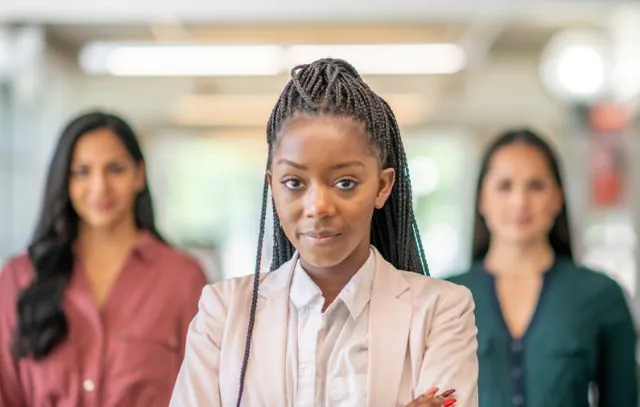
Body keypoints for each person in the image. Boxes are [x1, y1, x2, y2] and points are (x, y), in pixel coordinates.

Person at [169, 58, 478, 407]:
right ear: (273, 186)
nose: (318, 207)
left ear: (382, 185)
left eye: (345, 182)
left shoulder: (441, 311)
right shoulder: (224, 312)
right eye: (294, 182)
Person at [0, 111, 207, 407]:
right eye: (82, 171)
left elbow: (201, 392)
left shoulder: (183, 278)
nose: (100, 187)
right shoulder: (19, 277)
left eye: (115, 169)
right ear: (64, 180)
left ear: (139, 174)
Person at [447, 129, 638, 407]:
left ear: (558, 198)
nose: (520, 201)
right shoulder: (445, 296)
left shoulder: (601, 295)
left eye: (536, 186)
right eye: (504, 186)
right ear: (482, 199)